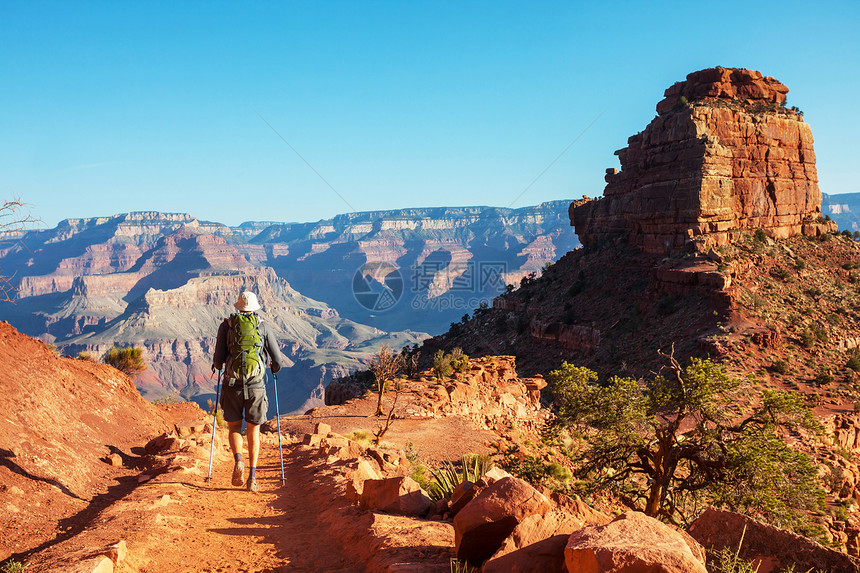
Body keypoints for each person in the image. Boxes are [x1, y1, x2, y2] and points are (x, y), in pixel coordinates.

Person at [212, 291, 285, 492]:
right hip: (256, 386)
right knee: (254, 430)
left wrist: (222, 364)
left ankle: (238, 461)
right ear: (255, 308)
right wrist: (273, 368)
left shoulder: (225, 327)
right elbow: (277, 361)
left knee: (235, 428)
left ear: (238, 307)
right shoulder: (262, 326)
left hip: (232, 385)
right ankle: (252, 478)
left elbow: (218, 361)